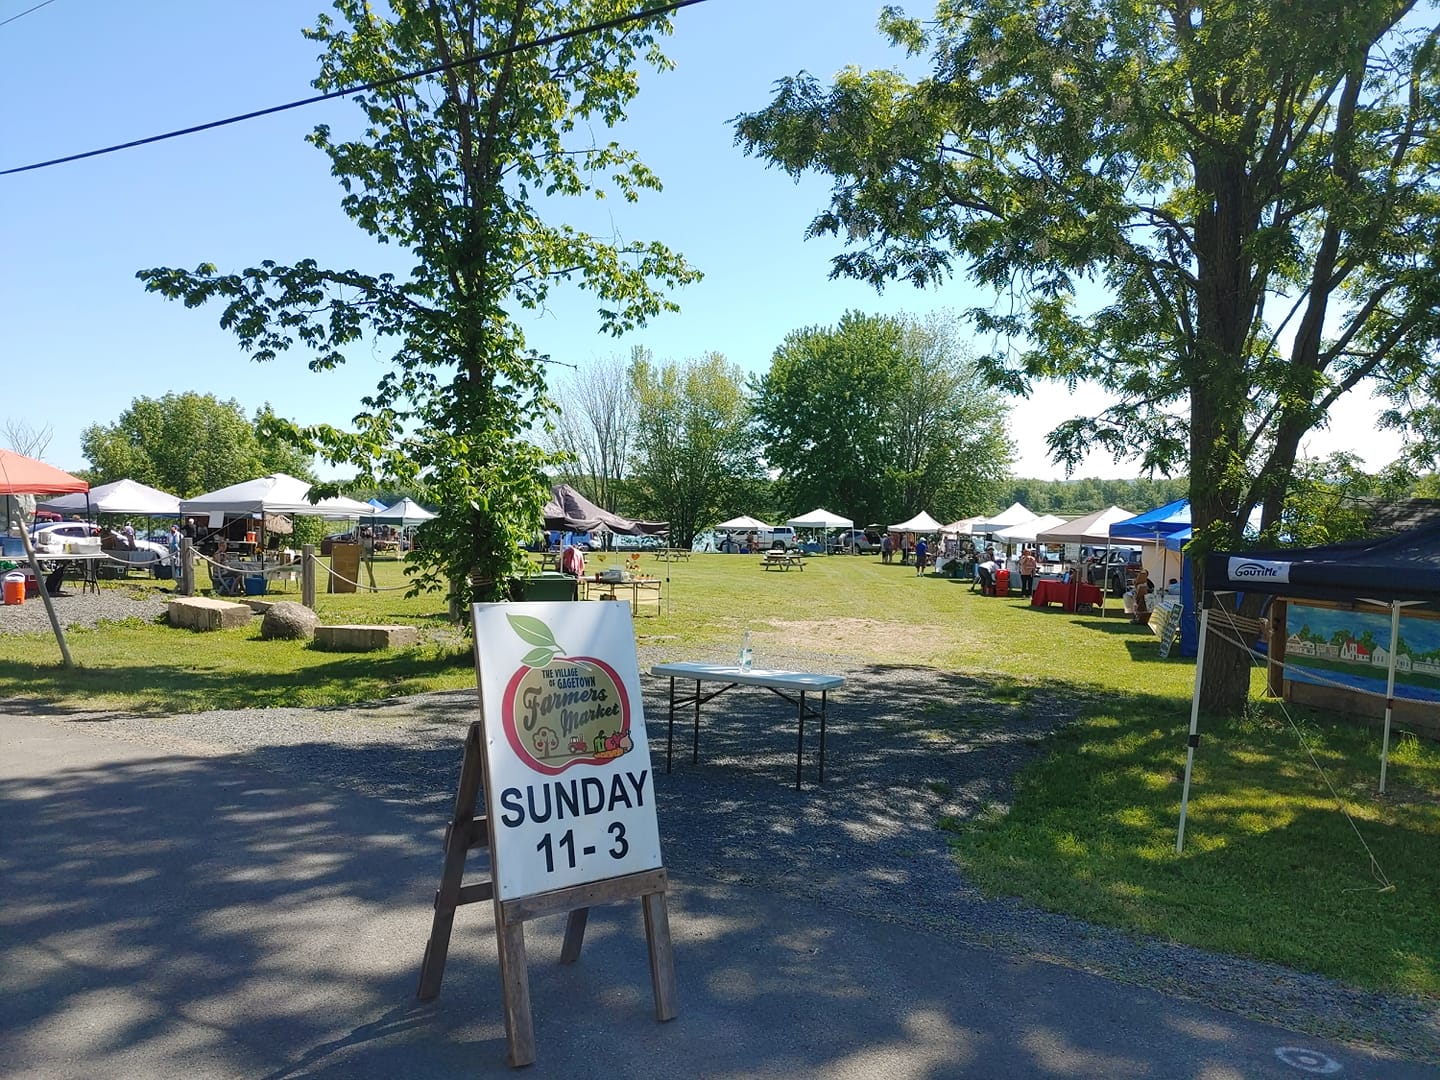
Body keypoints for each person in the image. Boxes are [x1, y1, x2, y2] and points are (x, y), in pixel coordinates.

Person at [359, 526, 377, 592]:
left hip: (367, 550)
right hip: (367, 550)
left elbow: (360, 544)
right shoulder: (369, 535)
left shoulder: (366, 536)